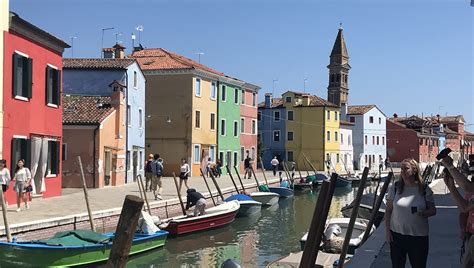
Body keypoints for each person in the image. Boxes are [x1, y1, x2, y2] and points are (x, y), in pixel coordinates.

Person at [385, 158, 436, 268]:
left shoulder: (424, 189)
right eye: (401, 168)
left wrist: (424, 213)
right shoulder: (395, 188)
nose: (402, 171)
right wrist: (387, 232)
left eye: (406, 168)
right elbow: (388, 211)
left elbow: (433, 210)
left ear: (414, 170)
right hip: (397, 235)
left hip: (418, 236)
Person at [443, 169, 474, 267]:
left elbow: (464, 207)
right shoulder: (471, 193)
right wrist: (462, 229)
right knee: (466, 263)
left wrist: (450, 166)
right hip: (471, 233)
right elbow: (463, 212)